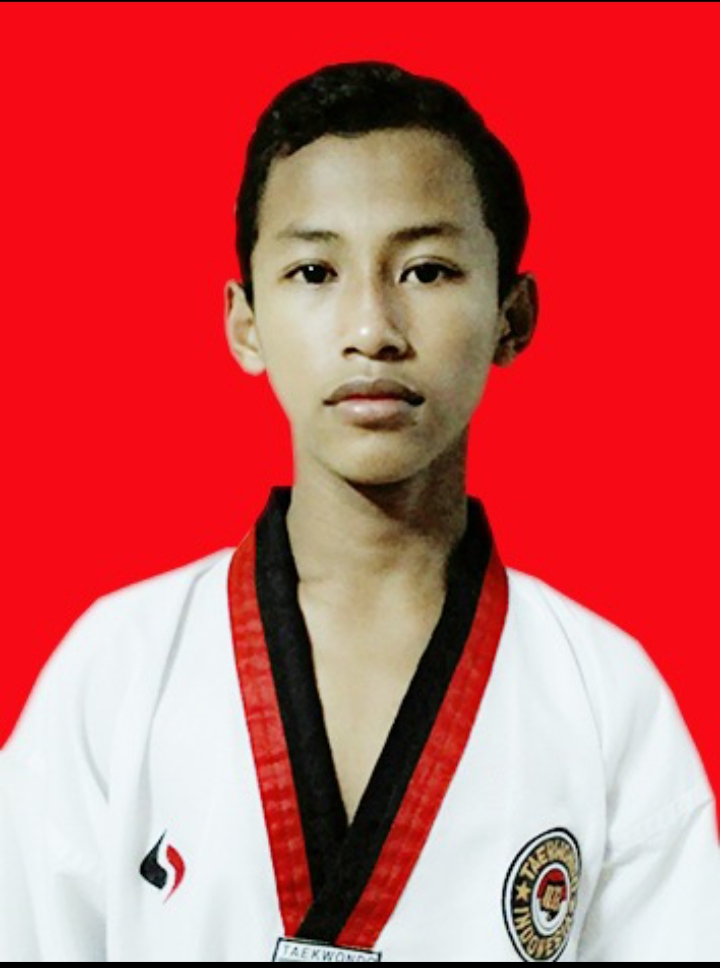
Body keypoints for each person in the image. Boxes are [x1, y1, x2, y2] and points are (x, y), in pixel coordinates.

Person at [1, 59, 718, 963]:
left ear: (512, 314)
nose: (372, 328)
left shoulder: (605, 697)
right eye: (314, 270)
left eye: (427, 269)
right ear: (244, 322)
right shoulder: (118, 667)